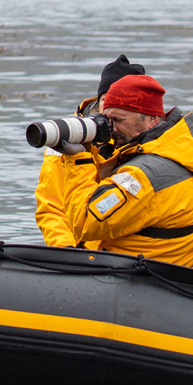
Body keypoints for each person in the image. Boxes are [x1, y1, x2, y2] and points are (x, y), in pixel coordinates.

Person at [47, 73, 193, 267]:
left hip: (148, 280)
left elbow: (84, 225)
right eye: (105, 119)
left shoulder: (144, 175)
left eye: (118, 119)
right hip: (162, 267)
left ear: (151, 119)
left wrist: (79, 161)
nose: (110, 128)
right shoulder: (175, 151)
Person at [34, 54, 141, 248]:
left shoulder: (143, 137)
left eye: (120, 102)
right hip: (78, 248)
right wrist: (66, 250)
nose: (109, 107)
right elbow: (51, 207)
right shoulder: (67, 135)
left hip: (120, 251)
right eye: (106, 99)